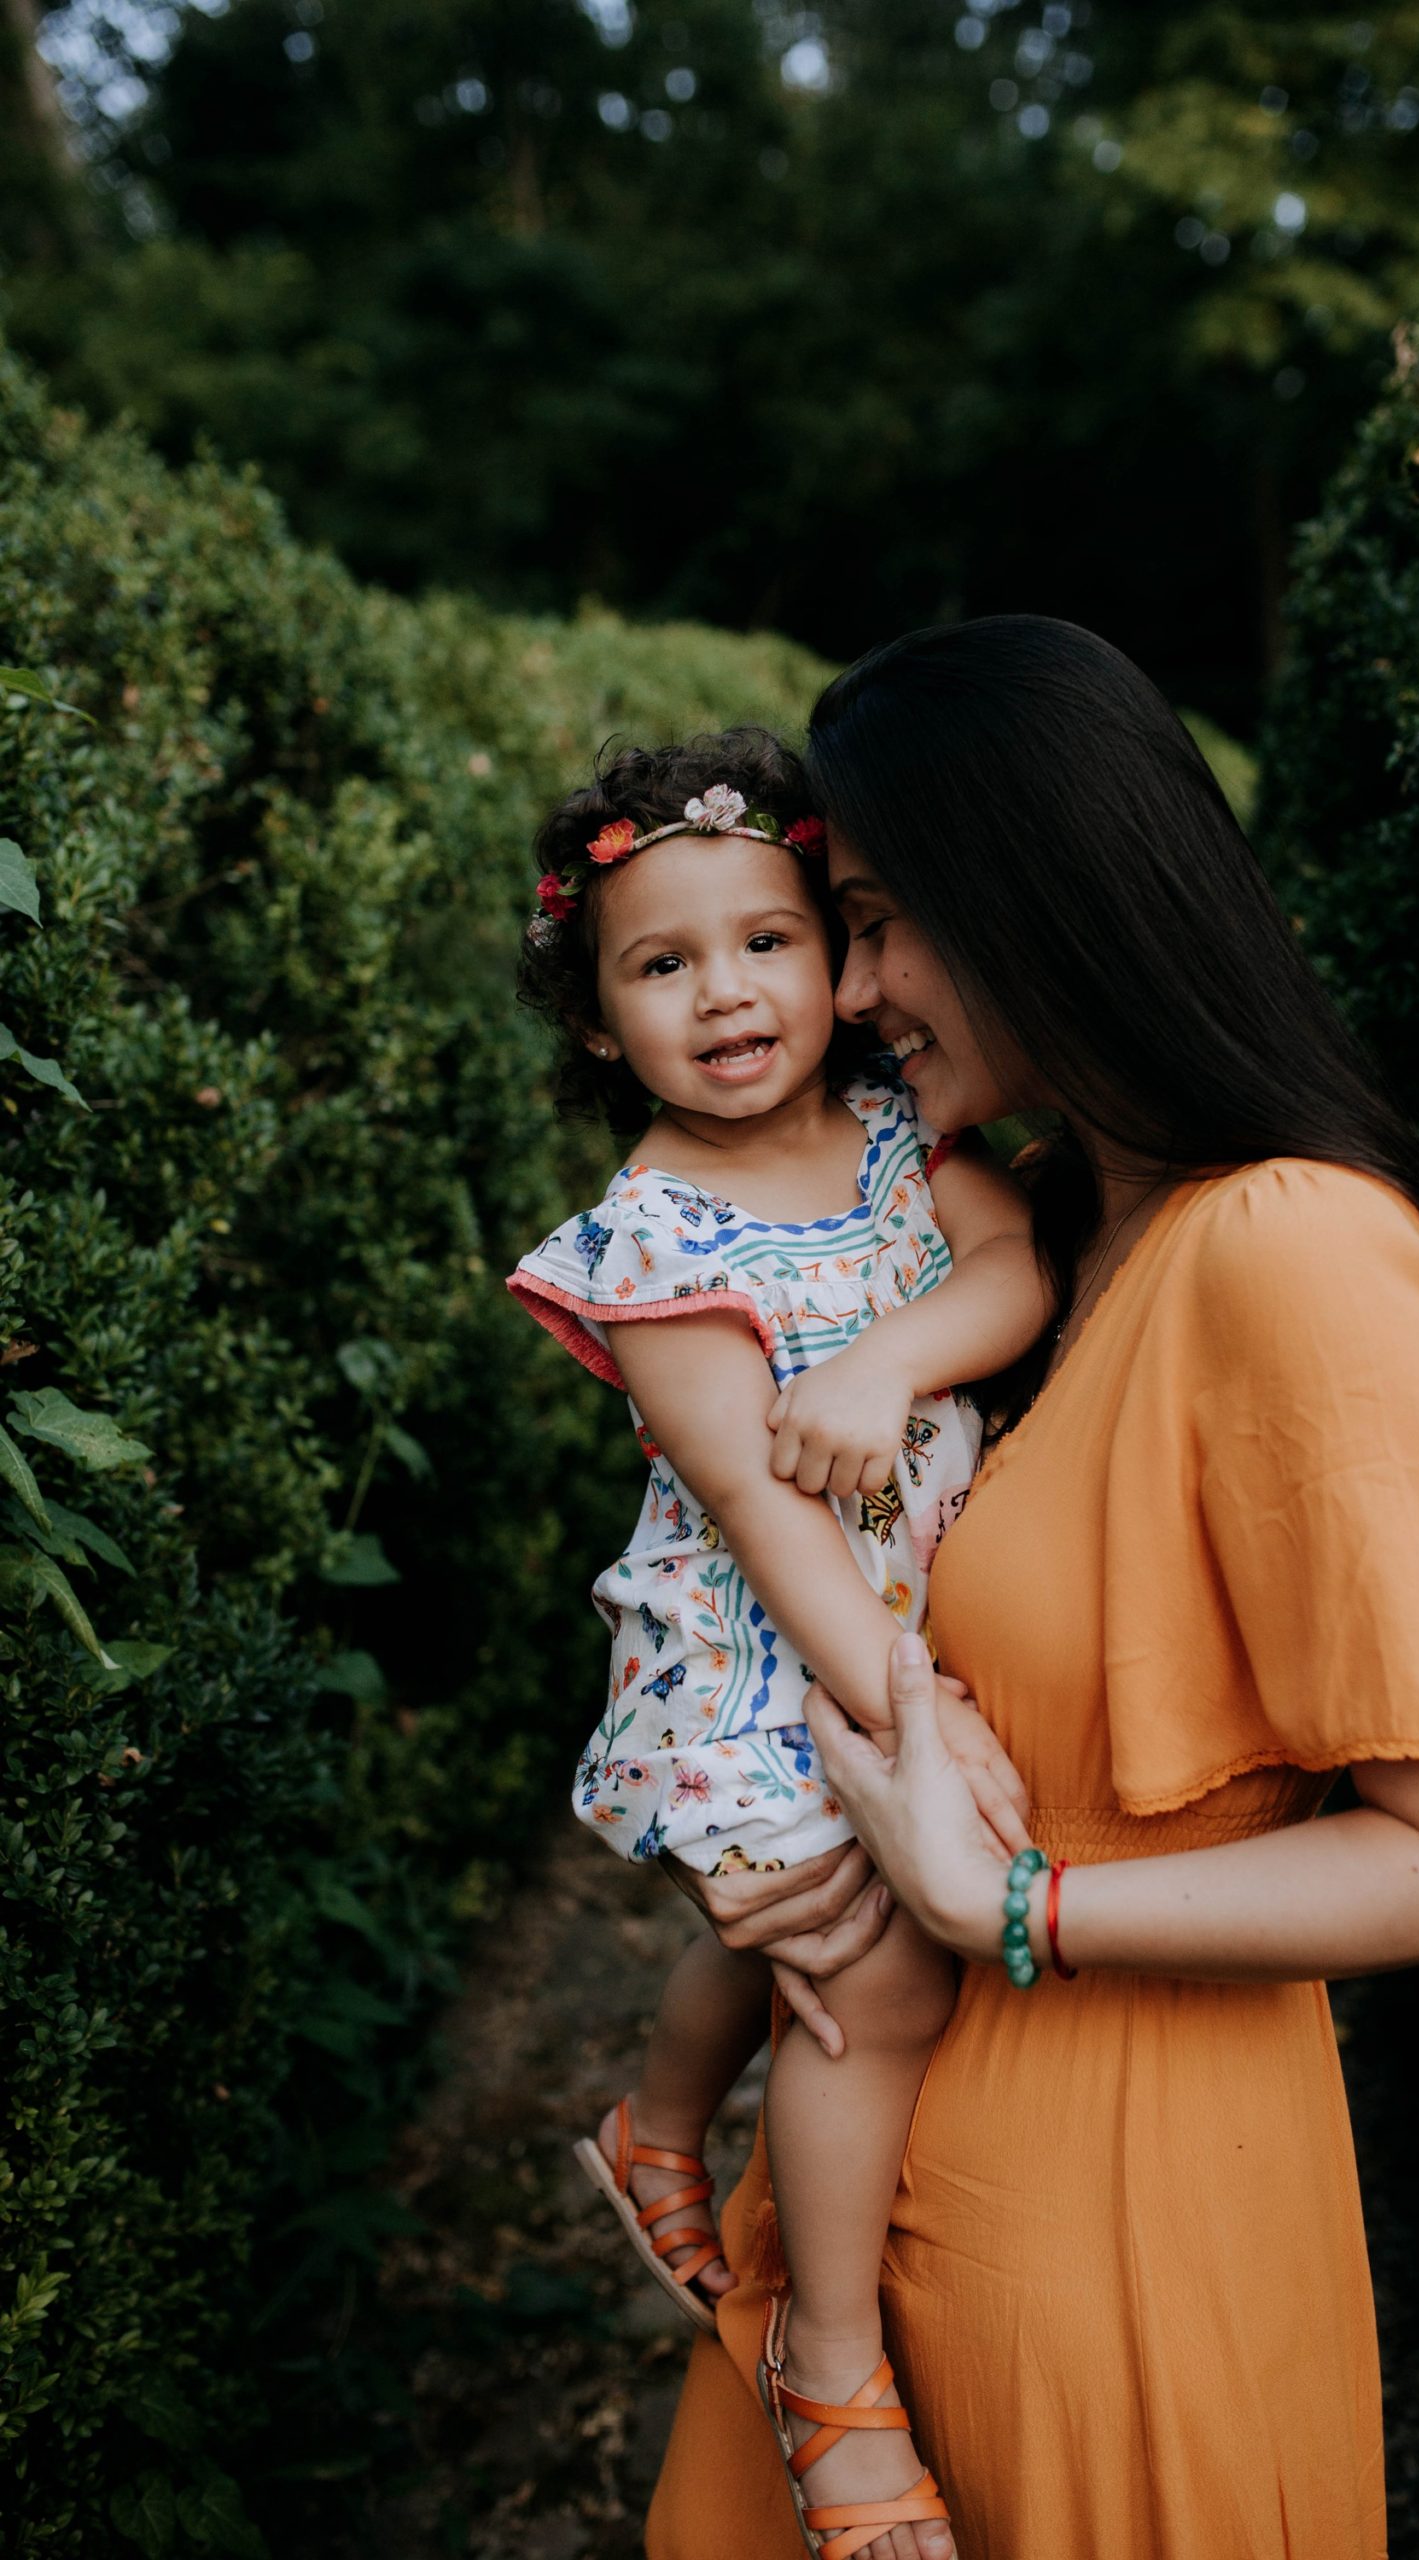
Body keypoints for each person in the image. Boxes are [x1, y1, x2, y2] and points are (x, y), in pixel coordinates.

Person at [644, 619, 1419, 2560]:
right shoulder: (1053, 1232)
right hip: (902, 2195)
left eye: (871, 922)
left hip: (1110, 2228)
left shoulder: (1288, 1255)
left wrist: (1001, 1896)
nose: (849, 991)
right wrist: (800, 1859)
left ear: (1034, 893)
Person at [507, 730, 1048, 2560]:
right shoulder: (650, 1244)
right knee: (873, 1972)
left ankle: (655, 2130)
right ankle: (832, 2380)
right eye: (663, 966)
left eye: (767, 942)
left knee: (827, 1948)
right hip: (755, 1659)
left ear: (836, 961)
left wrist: (891, 1353)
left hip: (897, 1616)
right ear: (599, 1025)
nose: (725, 993)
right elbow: (762, 1514)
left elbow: (1011, 1276)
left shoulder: (907, 1132)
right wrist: (911, 1710)